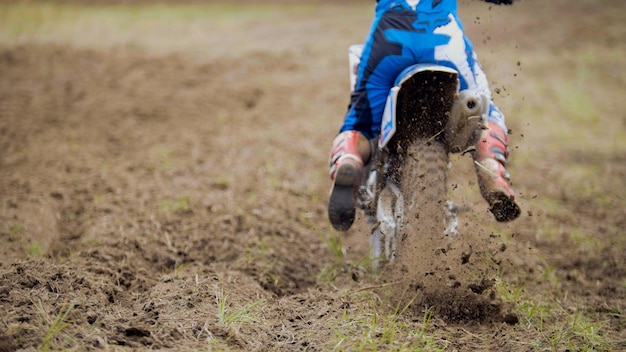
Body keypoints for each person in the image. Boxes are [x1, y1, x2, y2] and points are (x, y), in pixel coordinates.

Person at [328, 0, 521, 231]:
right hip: (445, 40)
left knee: (361, 123)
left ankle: (348, 161)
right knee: (485, 115)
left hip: (389, 39)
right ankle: (493, 173)